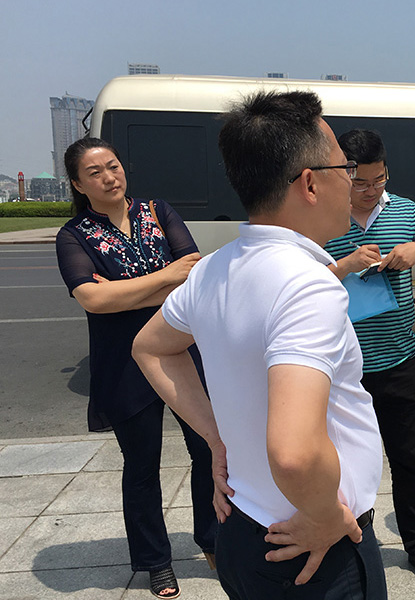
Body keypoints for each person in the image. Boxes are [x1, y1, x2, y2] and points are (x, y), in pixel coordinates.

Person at [132, 90, 387, 600]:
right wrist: (325, 515)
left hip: (242, 532)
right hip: (312, 553)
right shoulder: (308, 285)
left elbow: (151, 347)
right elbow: (293, 454)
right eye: (346, 168)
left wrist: (216, 438)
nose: (353, 181)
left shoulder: (213, 268)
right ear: (310, 183)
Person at [55, 137, 216, 599]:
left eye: (113, 166)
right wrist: (164, 277)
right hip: (123, 362)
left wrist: (122, 291)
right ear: (78, 184)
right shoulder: (74, 235)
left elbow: (193, 274)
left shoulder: (158, 211)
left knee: (210, 449)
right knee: (142, 466)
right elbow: (92, 299)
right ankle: (155, 561)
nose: (109, 177)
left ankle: (214, 540)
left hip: (183, 349)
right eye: (95, 172)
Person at [323, 129, 415, 589]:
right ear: (342, 174)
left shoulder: (406, 211)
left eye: (379, 180)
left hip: (399, 361)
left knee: (410, 459)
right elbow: (298, 280)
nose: (371, 190)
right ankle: (351, 542)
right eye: (360, 182)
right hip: (341, 370)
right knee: (342, 465)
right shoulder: (323, 215)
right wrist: (344, 266)